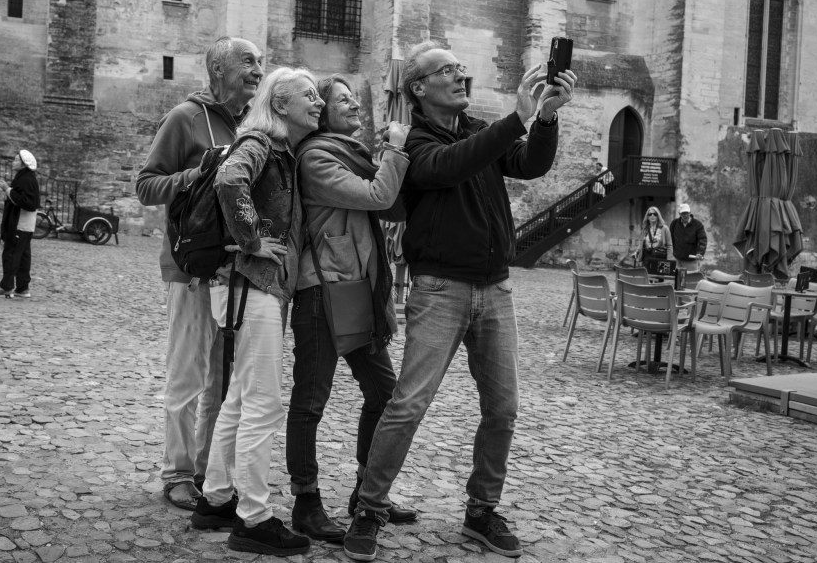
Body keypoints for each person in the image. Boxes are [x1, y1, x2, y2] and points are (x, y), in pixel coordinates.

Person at [343, 42, 575, 561]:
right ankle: (370, 507)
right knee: (408, 405)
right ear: (419, 87)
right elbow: (449, 167)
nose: (460, 74)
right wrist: (516, 118)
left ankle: (481, 510)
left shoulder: (476, 129)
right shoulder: (412, 142)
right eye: (447, 69)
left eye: (461, 67)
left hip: (496, 289)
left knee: (503, 408)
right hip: (440, 290)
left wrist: (544, 119)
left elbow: (530, 164)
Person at [192, 67, 321, 557]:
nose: (317, 101)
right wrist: (250, 241)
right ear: (281, 104)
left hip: (248, 288)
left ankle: (216, 499)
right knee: (263, 403)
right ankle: (254, 518)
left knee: (241, 397)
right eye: (308, 95)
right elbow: (230, 179)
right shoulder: (261, 141)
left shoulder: (280, 150)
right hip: (253, 285)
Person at [136, 36, 264, 510]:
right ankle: (177, 472)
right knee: (188, 375)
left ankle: (211, 470)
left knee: (223, 381)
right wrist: (200, 174)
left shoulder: (253, 124)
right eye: (247, 62)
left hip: (235, 272)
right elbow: (146, 185)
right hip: (190, 269)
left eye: (260, 62)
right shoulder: (185, 118)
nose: (258, 70)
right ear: (217, 70)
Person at [285, 75, 415, 544]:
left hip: (356, 290)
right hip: (320, 291)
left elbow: (394, 208)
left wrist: (389, 159)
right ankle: (306, 502)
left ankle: (366, 491)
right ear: (323, 112)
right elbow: (379, 196)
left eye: (355, 98)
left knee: (384, 393)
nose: (355, 105)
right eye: (343, 100)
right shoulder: (317, 157)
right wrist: (395, 149)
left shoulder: (354, 155)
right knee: (310, 402)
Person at [0, 150, 40, 298]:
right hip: (26, 225)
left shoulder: (25, 179)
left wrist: (7, 190)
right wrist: (8, 190)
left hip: (20, 224)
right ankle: (22, 288)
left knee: (11, 254)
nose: (13, 162)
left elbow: (27, 202)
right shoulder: (27, 178)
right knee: (23, 256)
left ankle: (7, 287)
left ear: (24, 164)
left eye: (16, 160)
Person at [669, 203, 707, 272]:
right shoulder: (674, 223)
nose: (685, 215)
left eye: (687, 213)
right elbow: (670, 239)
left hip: (691, 262)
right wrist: (671, 253)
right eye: (683, 213)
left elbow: (703, 240)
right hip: (677, 260)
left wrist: (700, 253)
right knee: (676, 278)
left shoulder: (697, 224)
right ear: (679, 214)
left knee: (691, 278)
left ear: (690, 212)